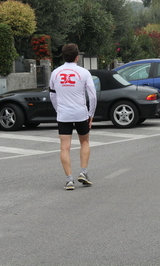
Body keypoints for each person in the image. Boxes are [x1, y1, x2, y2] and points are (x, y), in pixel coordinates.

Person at [49, 43, 97, 190]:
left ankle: (69, 180)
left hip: (63, 114)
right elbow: (93, 96)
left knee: (64, 147)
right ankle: (83, 172)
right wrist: (91, 114)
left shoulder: (55, 73)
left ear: (63, 56)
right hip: (80, 113)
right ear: (77, 57)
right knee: (84, 142)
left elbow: (52, 95)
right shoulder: (84, 73)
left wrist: (59, 110)